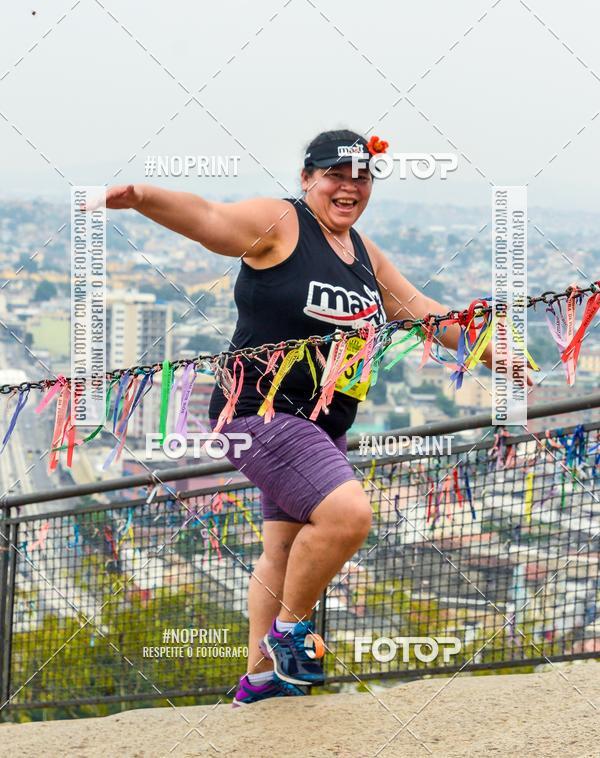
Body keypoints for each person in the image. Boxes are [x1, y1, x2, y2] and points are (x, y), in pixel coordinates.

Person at [105, 129, 497, 706]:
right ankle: (290, 635)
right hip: (260, 413)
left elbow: (423, 312)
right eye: (337, 175)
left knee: (283, 551)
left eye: (362, 177)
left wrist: (494, 348)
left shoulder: (363, 253)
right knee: (347, 516)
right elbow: (211, 216)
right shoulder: (282, 223)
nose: (350, 187)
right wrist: (142, 196)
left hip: (321, 426)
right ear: (308, 176)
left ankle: (260, 679)